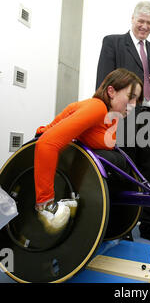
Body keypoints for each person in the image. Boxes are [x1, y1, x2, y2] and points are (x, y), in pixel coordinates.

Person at [96, 1, 150, 247]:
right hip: (124, 118)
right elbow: (103, 84)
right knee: (125, 174)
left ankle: (148, 226)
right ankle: (124, 226)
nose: (145, 26)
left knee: (149, 174)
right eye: (141, 21)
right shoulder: (113, 42)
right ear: (132, 19)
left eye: (149, 23)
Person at [34, 68, 143, 233]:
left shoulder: (112, 116)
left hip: (70, 159)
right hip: (45, 153)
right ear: (111, 91)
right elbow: (46, 144)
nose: (133, 105)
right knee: (112, 159)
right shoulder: (97, 107)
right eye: (131, 97)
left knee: (117, 160)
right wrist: (46, 203)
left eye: (137, 101)